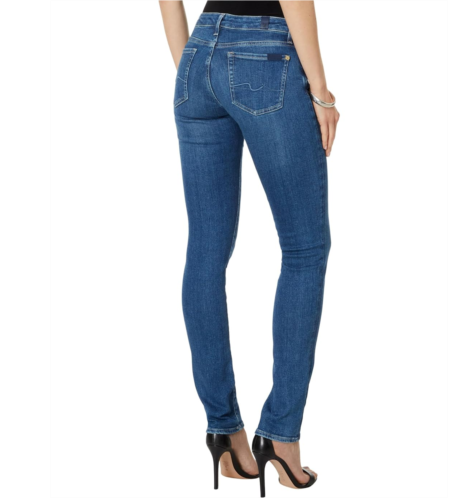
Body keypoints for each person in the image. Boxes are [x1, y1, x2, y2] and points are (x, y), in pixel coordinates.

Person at [159, 1, 340, 495]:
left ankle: (224, 431)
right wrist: (320, 91)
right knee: (305, 249)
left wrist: (192, 68)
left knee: (205, 251)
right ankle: (281, 436)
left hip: (196, 58)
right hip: (264, 56)